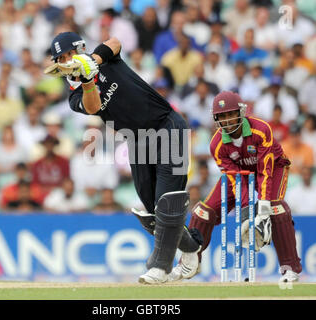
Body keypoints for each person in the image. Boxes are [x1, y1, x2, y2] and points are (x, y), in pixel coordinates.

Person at [45, 31, 203, 284]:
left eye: (70, 54)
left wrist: (92, 62)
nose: (67, 60)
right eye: (61, 58)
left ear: (80, 48)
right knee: (153, 211)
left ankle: (159, 267)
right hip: (137, 140)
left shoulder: (105, 59)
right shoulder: (74, 95)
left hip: (166, 125)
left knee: (167, 202)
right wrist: (87, 80)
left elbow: (115, 43)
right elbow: (94, 106)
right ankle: (191, 247)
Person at [170, 91, 302, 283]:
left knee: (277, 209)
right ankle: (189, 263)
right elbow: (235, 180)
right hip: (239, 174)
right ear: (216, 118)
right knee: (202, 213)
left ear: (240, 112)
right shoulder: (216, 144)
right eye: (222, 116)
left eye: (230, 114)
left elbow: (265, 169)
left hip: (273, 167)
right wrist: (249, 213)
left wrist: (263, 209)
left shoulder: (261, 129)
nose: (227, 120)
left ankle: (290, 269)